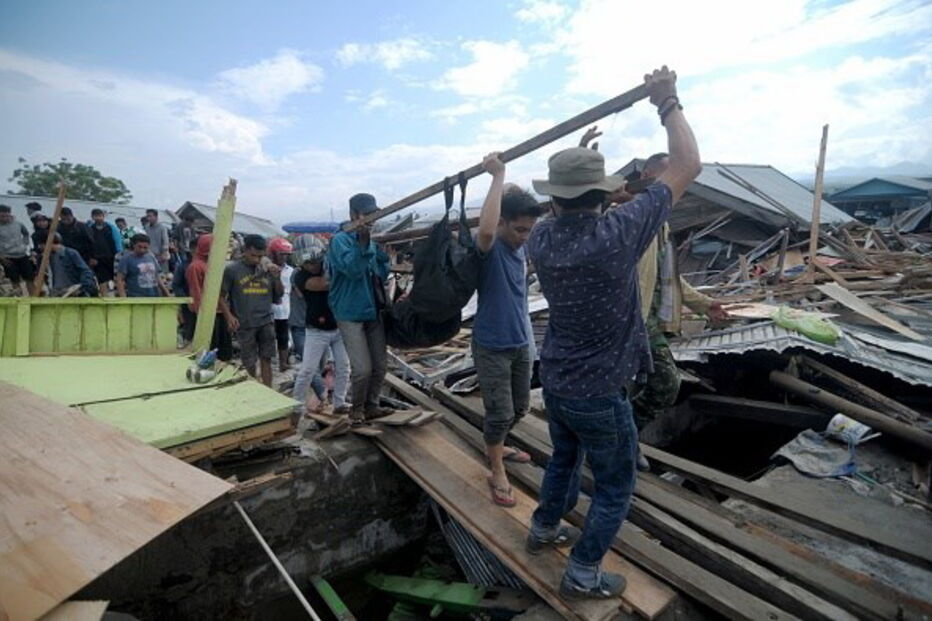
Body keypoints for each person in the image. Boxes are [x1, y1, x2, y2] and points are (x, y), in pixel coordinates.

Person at [525, 67, 701, 600]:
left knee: (562, 459)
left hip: (555, 380)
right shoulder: (618, 233)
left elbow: (568, 206)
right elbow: (689, 163)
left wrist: (579, 161)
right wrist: (666, 100)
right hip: (600, 391)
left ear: (554, 199)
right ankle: (582, 570)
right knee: (616, 486)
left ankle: (542, 528)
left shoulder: (540, 237)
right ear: (603, 196)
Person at [471, 153, 542, 507]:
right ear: (502, 223)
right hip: (492, 344)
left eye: (529, 230)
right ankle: (496, 468)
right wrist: (498, 175)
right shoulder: (493, 246)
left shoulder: (518, 248)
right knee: (499, 412)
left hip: (520, 342)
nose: (524, 237)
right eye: (519, 229)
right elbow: (485, 229)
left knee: (520, 409)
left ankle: (498, 444)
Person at [328, 193, 391, 425]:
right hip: (349, 312)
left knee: (380, 365)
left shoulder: (370, 241)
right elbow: (353, 270)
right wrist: (364, 244)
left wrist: (384, 257)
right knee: (362, 368)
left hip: (372, 310)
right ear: (354, 215)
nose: (372, 218)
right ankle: (356, 409)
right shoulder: (340, 241)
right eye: (368, 213)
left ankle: (372, 406)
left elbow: (379, 274)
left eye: (375, 213)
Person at [292, 240, 351, 415]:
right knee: (307, 370)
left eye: (314, 261)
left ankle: (340, 403)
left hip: (339, 328)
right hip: (316, 330)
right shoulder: (300, 276)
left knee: (344, 367)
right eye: (307, 263)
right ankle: (297, 407)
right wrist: (343, 273)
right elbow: (324, 284)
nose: (312, 266)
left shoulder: (329, 266)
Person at [220, 234, 283, 387]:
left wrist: (277, 277)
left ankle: (267, 391)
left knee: (266, 358)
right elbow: (221, 296)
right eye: (253, 255)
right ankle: (253, 390)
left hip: (266, 321)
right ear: (244, 251)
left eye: (260, 256)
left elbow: (279, 296)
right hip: (245, 323)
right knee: (249, 362)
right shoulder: (232, 270)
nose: (256, 259)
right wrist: (229, 316)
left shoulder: (267, 269)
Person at [185, 234, 233, 361]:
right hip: (209, 314)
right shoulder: (196, 266)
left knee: (223, 349)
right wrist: (202, 315)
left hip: (219, 311)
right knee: (210, 348)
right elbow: (196, 292)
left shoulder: (212, 265)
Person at [35, 231, 98, 297]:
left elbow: (85, 271)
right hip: (55, 293)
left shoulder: (70, 253)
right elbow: (41, 277)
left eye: (41, 244)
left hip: (72, 291)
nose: (39, 247)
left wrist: (84, 287)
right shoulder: (42, 258)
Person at [269, 237, 295, 372]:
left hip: (285, 309)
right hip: (268, 308)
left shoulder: (291, 271)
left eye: (286, 255)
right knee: (267, 337)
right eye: (281, 254)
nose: (284, 257)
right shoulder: (265, 269)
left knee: (283, 337)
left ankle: (283, 363)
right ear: (273, 253)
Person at [116, 233, 169, 297]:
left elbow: (157, 277)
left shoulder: (151, 257)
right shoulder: (126, 259)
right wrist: (123, 298)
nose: (142, 250)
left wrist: (166, 293)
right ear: (134, 245)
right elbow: (120, 280)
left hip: (154, 296)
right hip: (136, 297)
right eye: (139, 247)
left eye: (145, 248)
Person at [0, 204, 36, 295]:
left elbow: (26, 234)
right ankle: (19, 299)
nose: (5, 218)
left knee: (30, 278)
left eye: (6, 215)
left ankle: (34, 298)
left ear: (10, 214)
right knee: (15, 280)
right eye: (2, 216)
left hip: (22, 255)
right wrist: (1, 257)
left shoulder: (18, 223)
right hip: (8, 258)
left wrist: (25, 244)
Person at [88, 208, 121, 295]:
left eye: (100, 216)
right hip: (98, 260)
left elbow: (118, 242)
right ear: (92, 217)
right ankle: (105, 297)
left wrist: (119, 255)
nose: (98, 218)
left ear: (103, 216)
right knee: (102, 280)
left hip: (112, 258)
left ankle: (117, 296)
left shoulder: (111, 228)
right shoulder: (90, 229)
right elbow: (88, 244)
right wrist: (91, 257)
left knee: (115, 278)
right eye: (96, 216)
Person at [143, 208, 171, 273]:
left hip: (160, 256)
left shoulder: (162, 227)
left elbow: (165, 241)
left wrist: (164, 253)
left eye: (150, 216)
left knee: (163, 275)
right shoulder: (146, 227)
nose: (148, 218)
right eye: (147, 216)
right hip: (149, 255)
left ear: (156, 217)